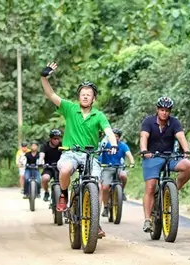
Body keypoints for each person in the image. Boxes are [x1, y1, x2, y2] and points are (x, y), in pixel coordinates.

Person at [41, 62, 118, 239]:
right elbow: (50, 94)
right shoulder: (69, 108)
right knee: (65, 169)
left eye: (88, 95)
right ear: (79, 97)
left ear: (94, 99)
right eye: (83, 94)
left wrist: (113, 145)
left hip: (91, 155)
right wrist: (44, 77)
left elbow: (108, 132)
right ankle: (63, 195)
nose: (85, 97)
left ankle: (95, 223)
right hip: (71, 152)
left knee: (97, 186)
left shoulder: (98, 115)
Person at [139, 96, 190, 232]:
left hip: (169, 157)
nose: (164, 113)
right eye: (162, 110)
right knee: (151, 187)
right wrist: (144, 150)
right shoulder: (148, 121)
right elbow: (143, 137)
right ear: (157, 110)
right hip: (152, 156)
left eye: (167, 110)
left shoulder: (174, 122)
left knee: (189, 166)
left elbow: (181, 136)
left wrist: (186, 151)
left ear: (170, 111)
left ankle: (172, 191)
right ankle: (147, 220)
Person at [98, 128, 135, 218]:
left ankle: (121, 192)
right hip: (107, 167)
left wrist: (132, 162)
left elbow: (129, 154)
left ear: (119, 138)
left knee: (123, 176)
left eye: (117, 136)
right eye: (113, 136)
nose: (115, 138)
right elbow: (99, 153)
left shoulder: (123, 146)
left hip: (119, 167)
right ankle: (106, 207)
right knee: (105, 187)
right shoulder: (105, 144)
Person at [40, 129, 63, 202]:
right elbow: (41, 155)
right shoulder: (44, 146)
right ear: (51, 139)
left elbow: (66, 154)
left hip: (59, 167)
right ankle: (46, 192)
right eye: (55, 138)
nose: (57, 140)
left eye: (58, 138)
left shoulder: (61, 145)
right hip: (48, 167)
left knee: (64, 180)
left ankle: (63, 196)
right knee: (45, 178)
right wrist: (40, 162)